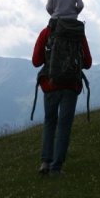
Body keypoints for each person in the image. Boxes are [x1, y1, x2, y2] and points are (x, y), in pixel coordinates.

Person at [32, 20, 92, 175]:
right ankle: (56, 167)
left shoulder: (47, 32)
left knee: (50, 121)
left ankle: (45, 162)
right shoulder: (78, 31)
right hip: (71, 85)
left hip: (50, 84)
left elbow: (36, 61)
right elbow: (88, 62)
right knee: (64, 125)